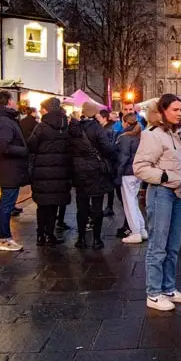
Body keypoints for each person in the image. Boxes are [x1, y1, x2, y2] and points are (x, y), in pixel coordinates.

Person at [134, 94, 181, 312]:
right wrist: (165, 177)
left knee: (173, 245)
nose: (180, 114)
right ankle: (153, 292)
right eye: (176, 110)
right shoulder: (153, 135)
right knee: (158, 245)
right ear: (163, 111)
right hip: (162, 193)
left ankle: (168, 287)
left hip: (179, 193)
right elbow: (140, 167)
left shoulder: (178, 134)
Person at [70, 101, 116, 250]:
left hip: (79, 172)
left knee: (81, 206)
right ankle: (96, 239)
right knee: (97, 206)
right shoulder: (97, 129)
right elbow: (107, 148)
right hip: (96, 172)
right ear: (95, 113)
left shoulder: (73, 128)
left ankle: (81, 238)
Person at [0, 91, 29, 252]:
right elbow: (3, 146)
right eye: (14, 100)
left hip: (7, 167)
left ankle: (1, 235)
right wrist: (23, 150)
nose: (16, 104)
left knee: (5, 202)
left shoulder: (0, 119)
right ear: (9, 102)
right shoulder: (4, 121)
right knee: (7, 203)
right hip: (10, 168)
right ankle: (4, 238)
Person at [27, 98, 72, 247]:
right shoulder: (66, 126)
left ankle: (41, 235)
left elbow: (31, 145)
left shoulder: (42, 127)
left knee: (42, 205)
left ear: (47, 110)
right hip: (61, 171)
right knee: (54, 205)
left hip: (43, 171)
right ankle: (50, 233)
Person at [116, 113, 146, 244]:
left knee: (129, 203)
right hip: (138, 172)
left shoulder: (125, 138)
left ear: (126, 123)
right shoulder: (141, 135)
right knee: (133, 201)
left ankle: (135, 232)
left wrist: (118, 175)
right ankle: (142, 229)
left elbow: (123, 158)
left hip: (127, 173)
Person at [99, 109, 120, 217]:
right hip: (109, 161)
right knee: (110, 185)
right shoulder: (108, 128)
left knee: (110, 185)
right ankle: (109, 206)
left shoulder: (108, 130)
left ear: (104, 118)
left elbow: (108, 147)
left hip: (109, 161)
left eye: (99, 118)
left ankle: (110, 207)